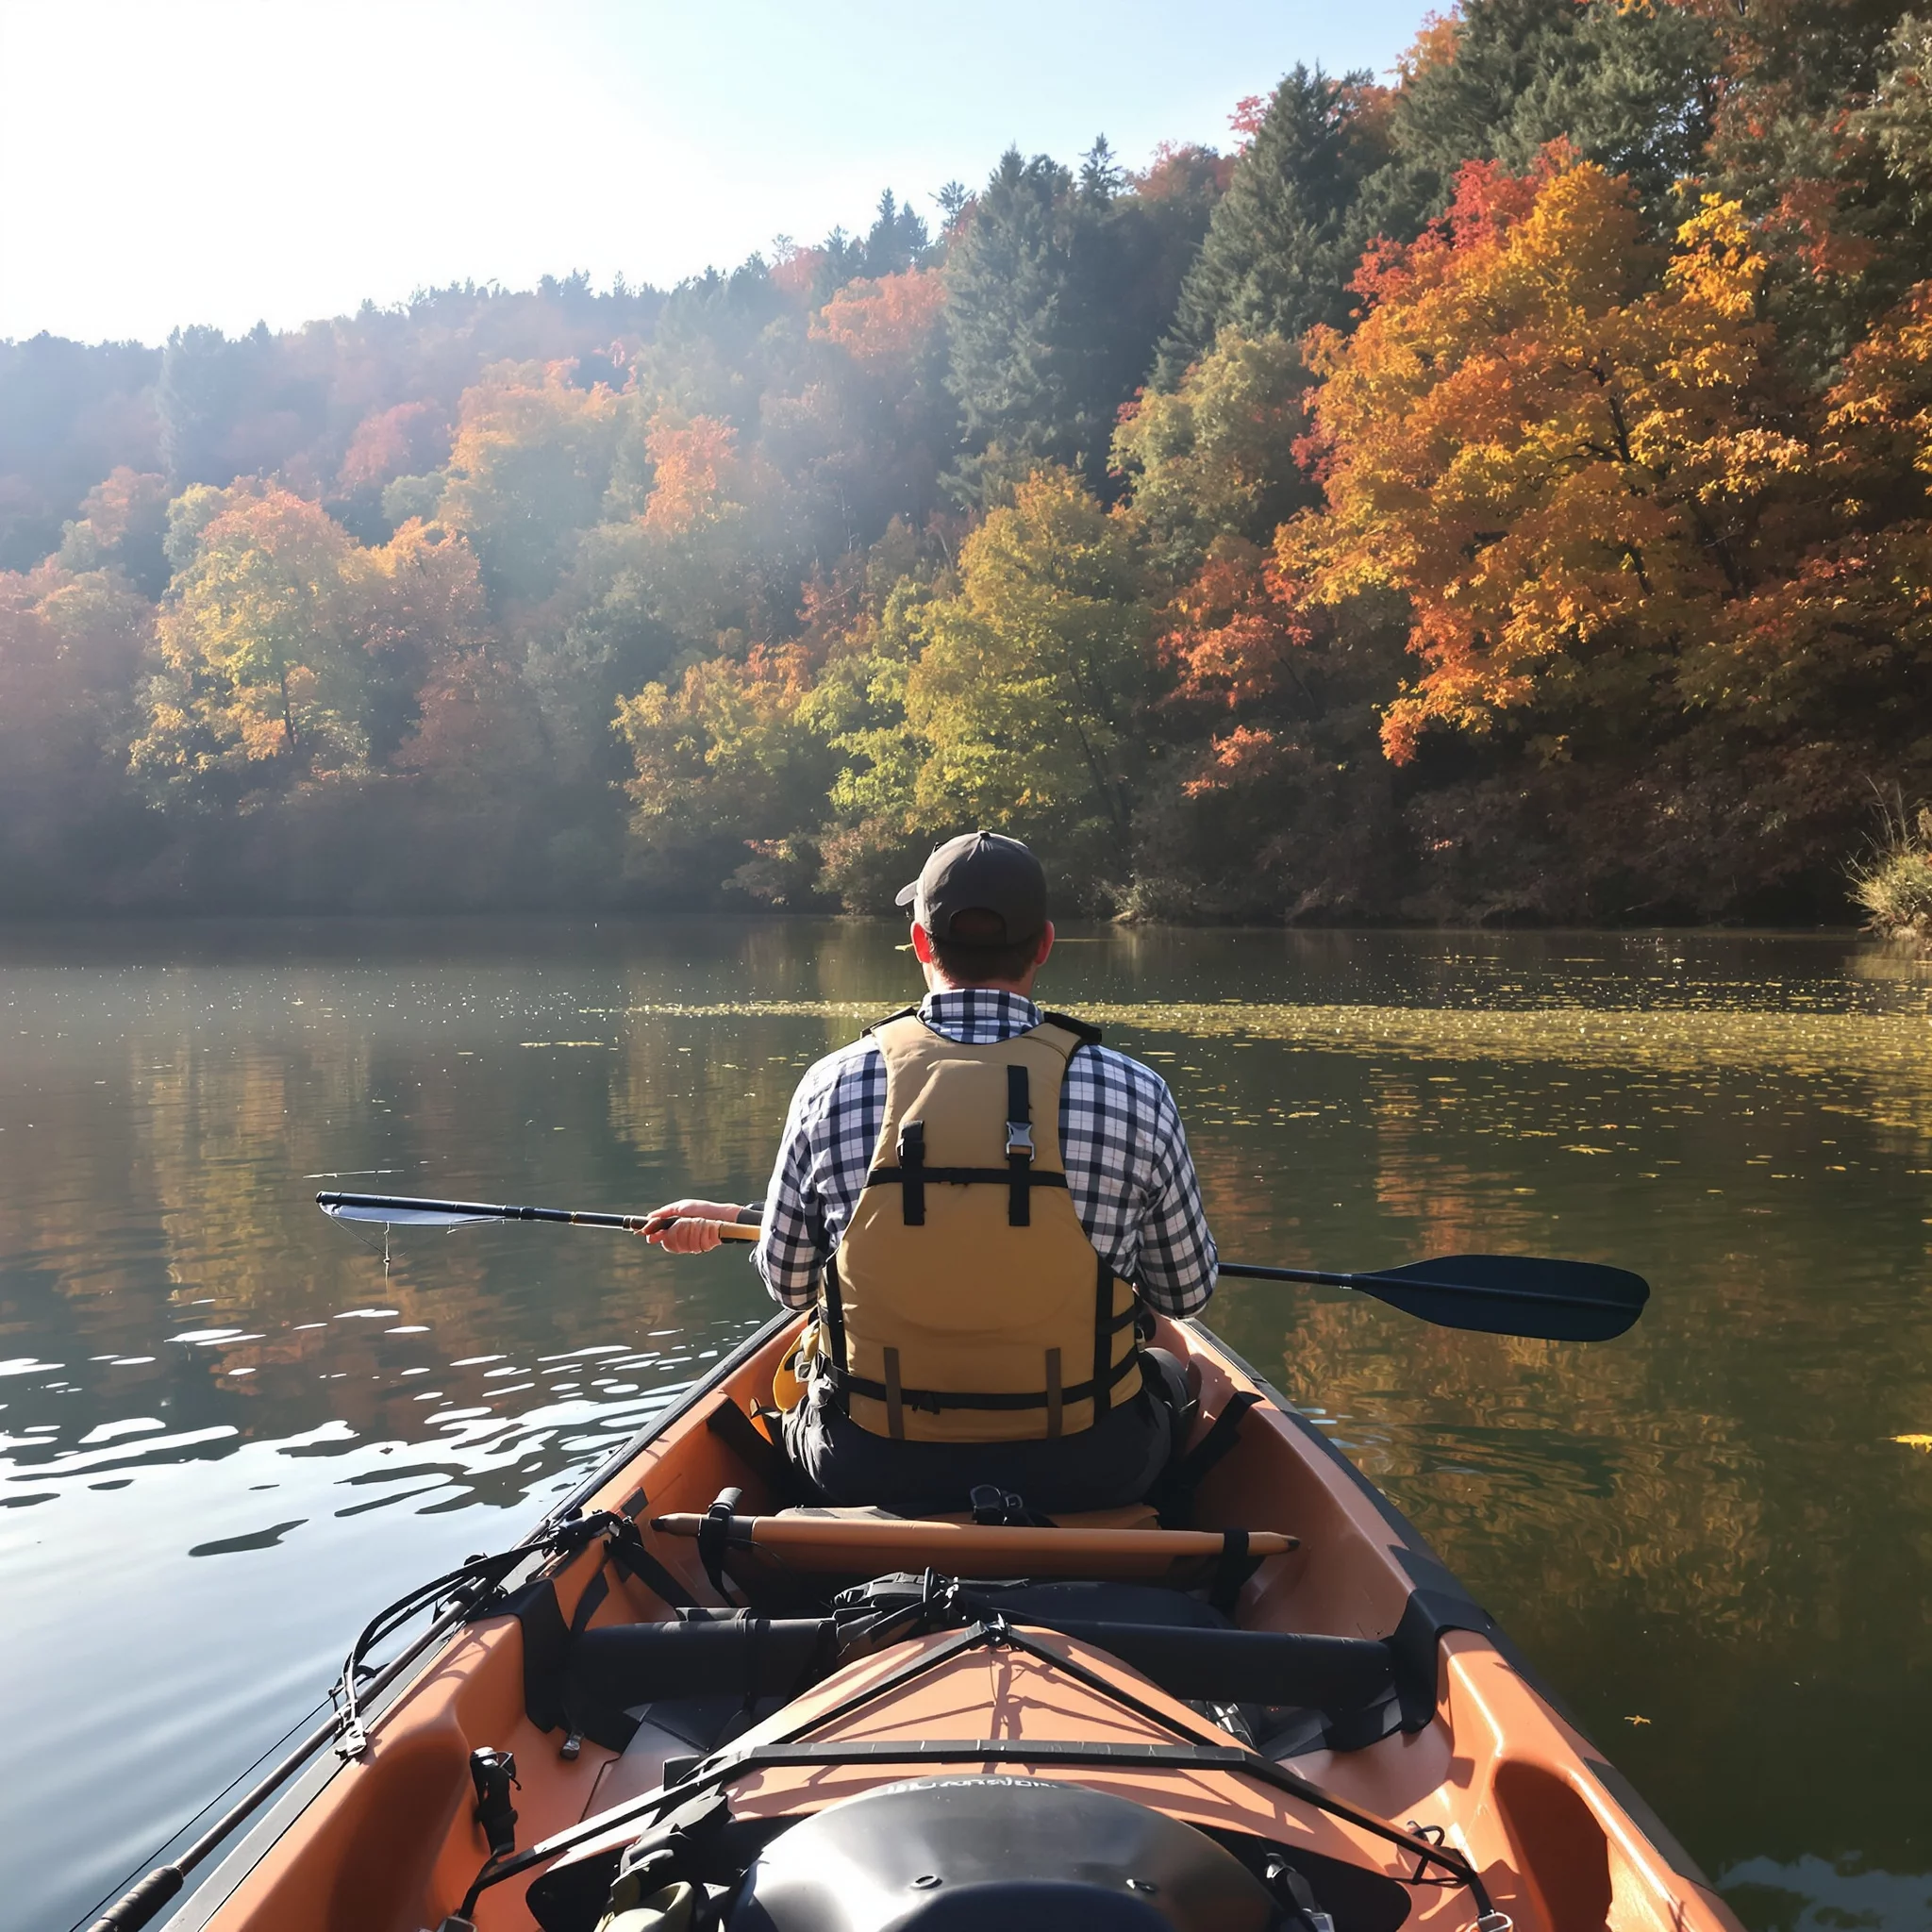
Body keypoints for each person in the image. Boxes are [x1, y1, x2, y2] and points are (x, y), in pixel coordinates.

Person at [640, 830, 1217, 1516]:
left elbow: (791, 1286)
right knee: (1176, 1374)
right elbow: (1184, 1294)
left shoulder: (831, 1084)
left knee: (795, 1390)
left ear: (920, 942)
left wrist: (756, 1225)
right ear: (1043, 945)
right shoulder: (1136, 1091)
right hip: (1091, 1468)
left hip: (867, 1469)